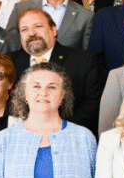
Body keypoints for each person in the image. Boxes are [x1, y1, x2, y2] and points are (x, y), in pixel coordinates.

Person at [9, 8, 104, 136]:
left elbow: (94, 104)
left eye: (38, 26)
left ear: (53, 30)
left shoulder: (84, 61)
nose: (31, 33)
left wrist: (58, 130)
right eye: (24, 29)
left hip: (68, 137)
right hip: (19, 137)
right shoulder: (8, 63)